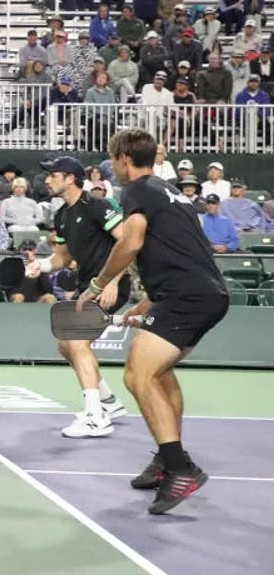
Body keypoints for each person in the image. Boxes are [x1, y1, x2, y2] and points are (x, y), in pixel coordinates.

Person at [79, 129, 230, 515]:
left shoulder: (136, 191)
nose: (112, 166)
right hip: (205, 293)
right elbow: (181, 251)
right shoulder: (173, 194)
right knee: (159, 373)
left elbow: (130, 243)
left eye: (113, 159)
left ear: (125, 159)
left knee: (137, 375)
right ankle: (168, 460)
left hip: (187, 297)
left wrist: (98, 284)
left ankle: (181, 468)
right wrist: (147, 303)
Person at [37, 156, 130, 438]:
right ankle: (109, 402)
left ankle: (96, 417)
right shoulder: (62, 214)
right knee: (66, 345)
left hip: (110, 286)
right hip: (88, 287)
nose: (47, 179)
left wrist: (113, 280)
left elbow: (128, 242)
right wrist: (40, 265)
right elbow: (63, 257)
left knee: (77, 342)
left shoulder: (97, 205)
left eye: (53, 174)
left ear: (70, 178)